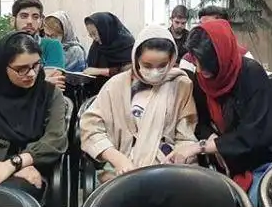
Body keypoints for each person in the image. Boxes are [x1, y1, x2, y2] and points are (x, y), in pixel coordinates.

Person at [165, 20, 272, 207]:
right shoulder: (202, 77)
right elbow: (201, 123)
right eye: (196, 61)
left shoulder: (251, 73)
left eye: (206, 64)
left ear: (222, 57)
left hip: (270, 155)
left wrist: (204, 147)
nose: (200, 69)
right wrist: (212, 139)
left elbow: (254, 135)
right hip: (234, 156)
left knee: (259, 202)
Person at [0, 32, 68, 202]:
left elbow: (55, 140)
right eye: (21, 69)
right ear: (3, 68)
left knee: (5, 200)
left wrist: (15, 164)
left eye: (36, 65)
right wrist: (3, 167)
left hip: (31, 171)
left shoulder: (49, 95)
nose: (31, 74)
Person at [80, 24, 197, 183]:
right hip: (121, 168)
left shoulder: (180, 86)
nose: (155, 72)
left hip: (167, 168)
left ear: (171, 60)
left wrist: (179, 156)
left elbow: (185, 135)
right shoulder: (116, 86)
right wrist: (117, 158)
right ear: (136, 59)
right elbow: (90, 128)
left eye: (162, 65)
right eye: (147, 65)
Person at [0, 0, 66, 90]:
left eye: (35, 17)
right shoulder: (4, 46)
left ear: (41, 22)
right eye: (24, 16)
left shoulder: (52, 46)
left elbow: (53, 85)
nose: (29, 21)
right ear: (13, 20)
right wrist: (42, 83)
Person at [179, 5, 253, 74]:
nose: (204, 30)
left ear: (225, 28)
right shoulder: (189, 60)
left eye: (210, 26)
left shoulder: (245, 57)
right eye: (201, 25)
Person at [84, 12, 135, 95]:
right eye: (90, 35)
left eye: (94, 33)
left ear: (104, 30)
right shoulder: (97, 46)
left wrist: (102, 71)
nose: (94, 38)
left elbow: (130, 72)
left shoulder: (127, 45)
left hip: (121, 93)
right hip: (99, 94)